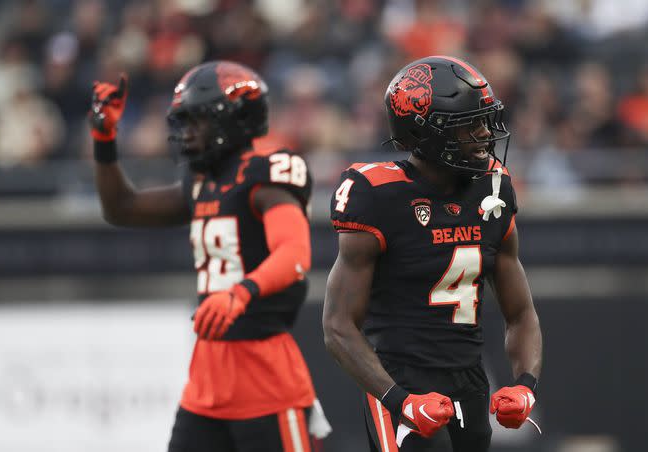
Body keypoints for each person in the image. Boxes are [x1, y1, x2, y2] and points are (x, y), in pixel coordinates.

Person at [89, 61, 330, 452]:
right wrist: (104, 139)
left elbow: (295, 254)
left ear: (235, 119)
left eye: (197, 121)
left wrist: (241, 293)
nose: (187, 133)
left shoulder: (267, 172)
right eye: (184, 122)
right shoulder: (202, 181)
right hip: (206, 379)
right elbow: (122, 208)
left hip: (264, 371)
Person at [323, 55, 543, 451]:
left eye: (484, 120)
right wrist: (400, 400)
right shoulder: (377, 195)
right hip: (399, 379)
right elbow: (338, 326)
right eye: (468, 125)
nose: (484, 135)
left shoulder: (493, 188)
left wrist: (526, 384)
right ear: (425, 133)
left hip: (469, 380)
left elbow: (521, 313)